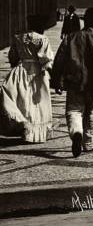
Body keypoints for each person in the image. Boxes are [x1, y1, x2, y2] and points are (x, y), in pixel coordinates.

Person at [51, 7, 93, 157]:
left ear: (84, 20)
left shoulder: (70, 38)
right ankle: (89, 144)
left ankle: (76, 133)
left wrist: (56, 81)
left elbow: (59, 61)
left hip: (74, 82)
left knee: (73, 111)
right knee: (91, 113)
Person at [1, 14, 55, 142]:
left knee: (21, 100)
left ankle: (22, 123)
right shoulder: (42, 39)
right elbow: (46, 59)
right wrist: (53, 75)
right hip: (37, 72)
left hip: (21, 70)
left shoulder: (18, 38)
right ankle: (36, 133)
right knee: (37, 103)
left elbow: (12, 57)